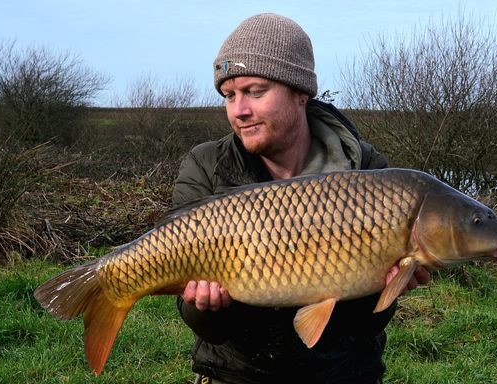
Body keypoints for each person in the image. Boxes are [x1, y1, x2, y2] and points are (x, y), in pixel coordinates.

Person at [171, 13, 430, 384]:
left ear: (300, 92)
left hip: (343, 374)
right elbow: (204, 328)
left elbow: (364, 326)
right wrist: (205, 308)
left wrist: (390, 286)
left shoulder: (369, 170)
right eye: (229, 96)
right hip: (237, 376)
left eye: (255, 91)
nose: (239, 111)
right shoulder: (207, 166)